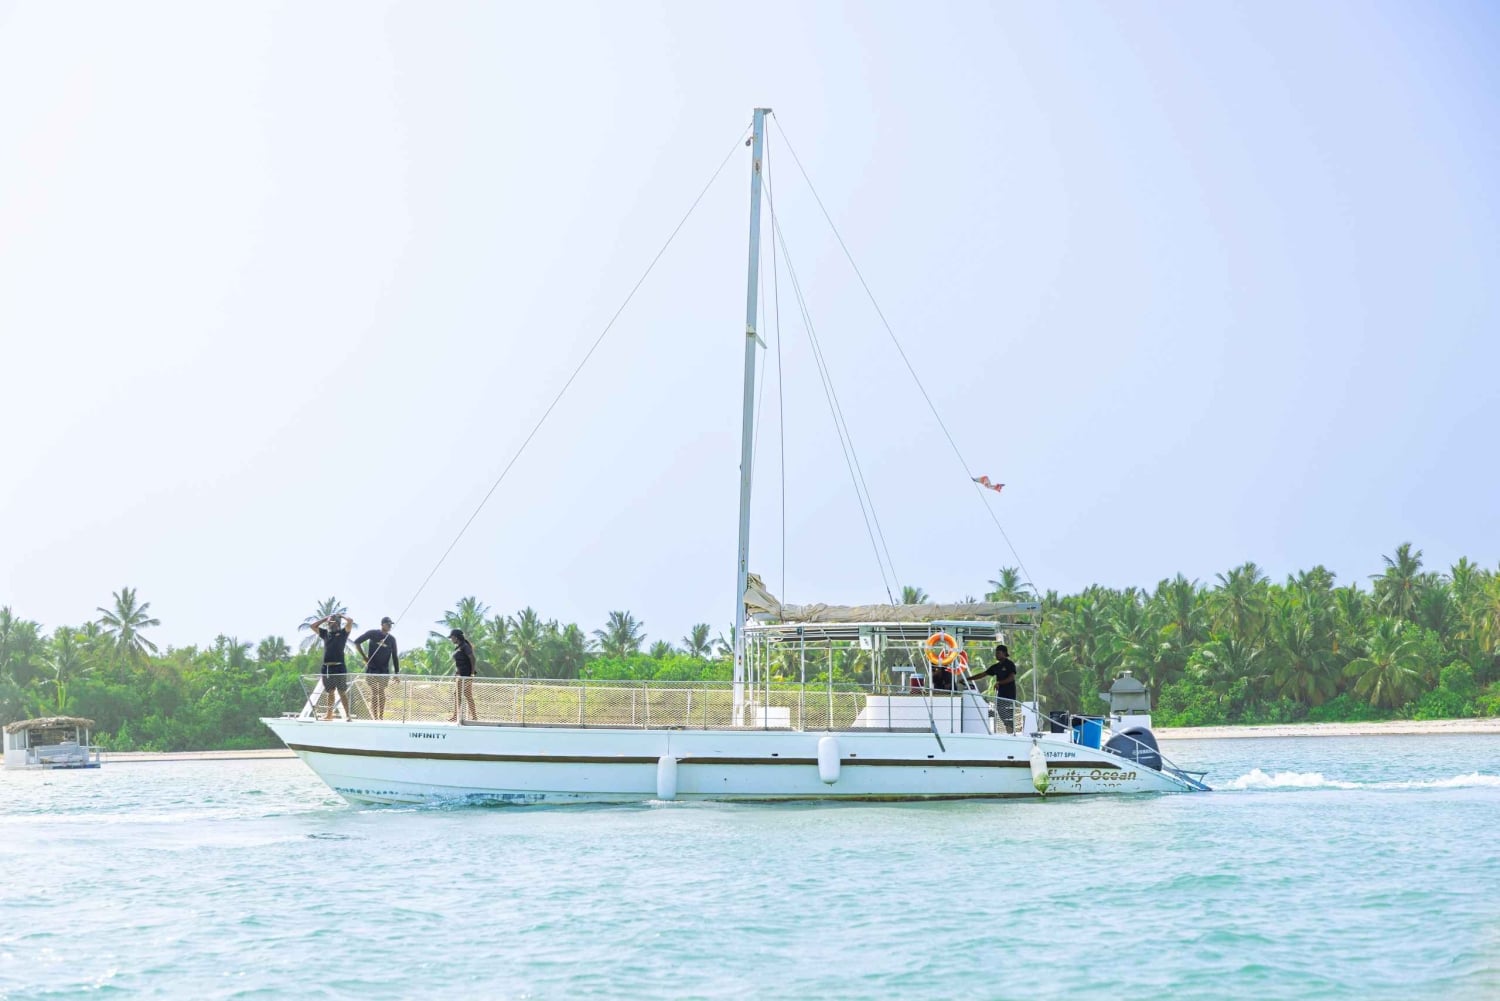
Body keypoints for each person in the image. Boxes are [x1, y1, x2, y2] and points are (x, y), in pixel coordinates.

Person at [353, 616, 400, 720]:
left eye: (390, 625)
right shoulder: (373, 633)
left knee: (382, 692)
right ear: (382, 624)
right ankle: (375, 717)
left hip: (384, 670)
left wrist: (397, 673)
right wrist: (364, 657)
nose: (389, 626)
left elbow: (395, 656)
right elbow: (357, 642)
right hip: (372, 669)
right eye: (388, 624)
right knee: (374, 692)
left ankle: (381, 716)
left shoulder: (391, 639)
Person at [312, 612, 355, 721]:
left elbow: (350, 621)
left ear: (338, 623)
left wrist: (340, 615)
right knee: (330, 692)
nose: (331, 624)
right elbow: (312, 626)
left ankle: (348, 716)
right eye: (330, 623)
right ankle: (329, 715)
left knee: (341, 692)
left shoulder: (343, 633)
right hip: (326, 668)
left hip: (339, 667)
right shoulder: (325, 633)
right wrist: (325, 618)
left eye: (333, 622)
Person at [969, 644, 1019, 733]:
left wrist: (999, 682)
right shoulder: (996, 666)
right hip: (1000, 694)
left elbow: (1012, 677)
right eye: (996, 653)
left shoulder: (1009, 664)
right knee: (1001, 713)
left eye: (998, 653)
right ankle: (1010, 732)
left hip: (1010, 694)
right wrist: (968, 679)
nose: (996, 655)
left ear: (1004, 653)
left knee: (1009, 715)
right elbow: (983, 674)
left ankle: (1012, 733)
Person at [448, 628, 478, 722]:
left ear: (456, 638)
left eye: (452, 637)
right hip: (460, 676)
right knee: (457, 694)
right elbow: (461, 662)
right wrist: (457, 672)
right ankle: (456, 716)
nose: (451, 639)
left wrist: (472, 673)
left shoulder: (465, 646)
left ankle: (474, 716)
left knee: (467, 695)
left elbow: (472, 658)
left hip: (466, 676)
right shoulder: (459, 647)